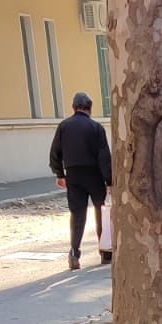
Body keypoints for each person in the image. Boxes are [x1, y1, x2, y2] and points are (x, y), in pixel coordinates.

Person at [49, 92, 112, 270]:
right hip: (94, 175)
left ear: (74, 107)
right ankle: (105, 252)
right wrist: (109, 181)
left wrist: (60, 174)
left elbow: (55, 152)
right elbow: (104, 156)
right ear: (90, 109)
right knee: (101, 211)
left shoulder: (64, 126)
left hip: (73, 175)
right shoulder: (96, 128)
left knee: (77, 214)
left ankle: (75, 252)